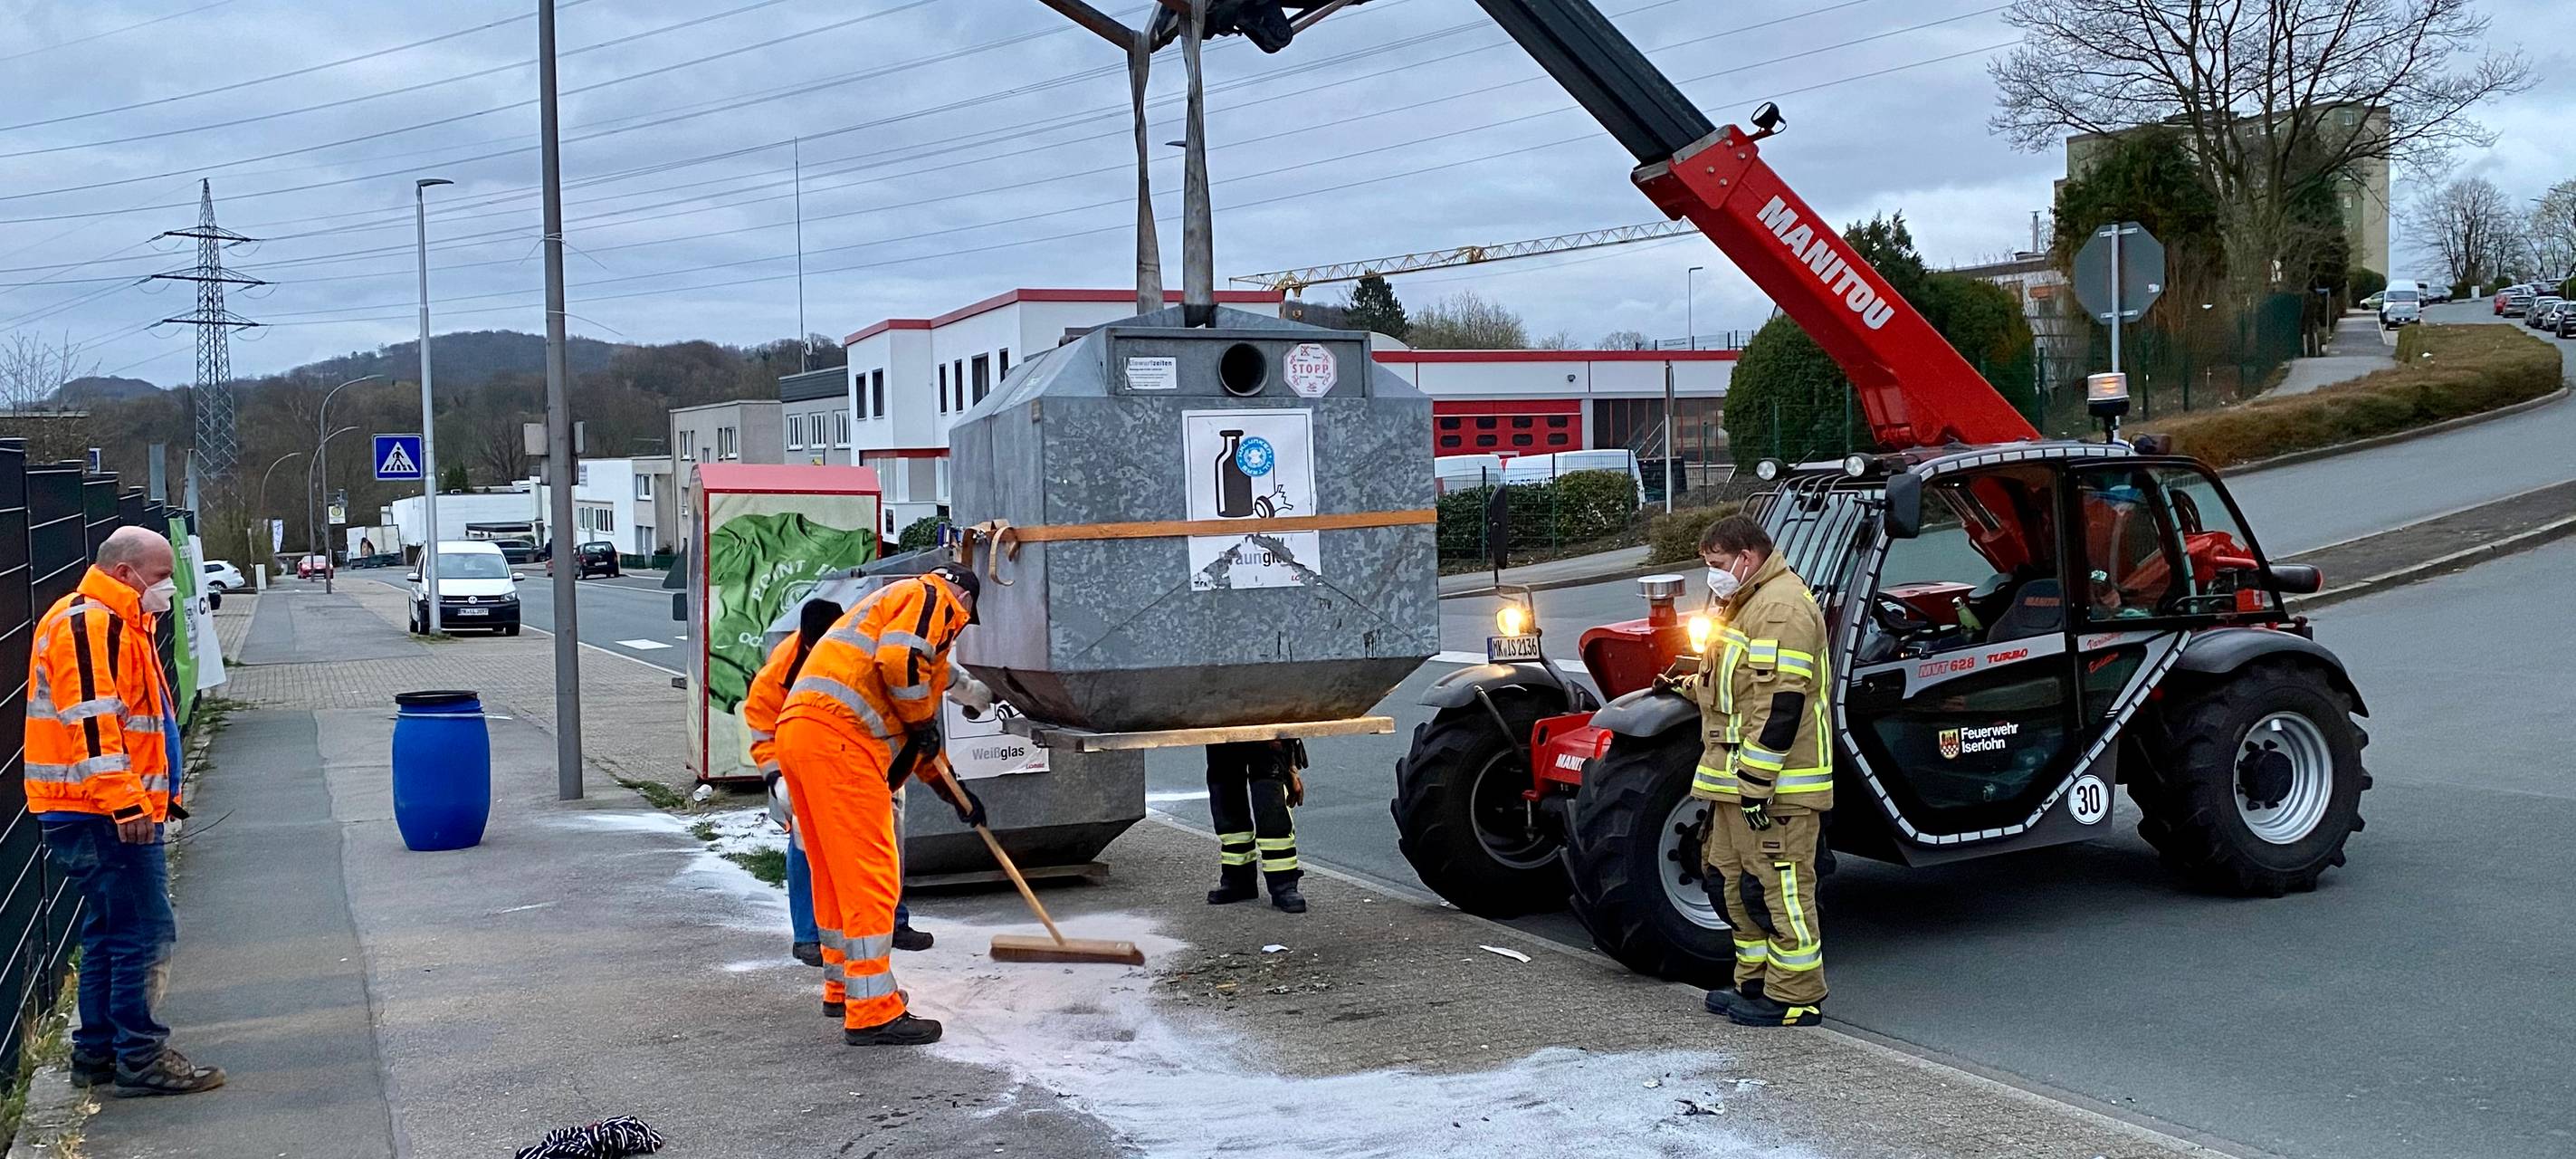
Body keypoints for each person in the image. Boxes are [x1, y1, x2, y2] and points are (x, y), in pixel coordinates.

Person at [24, 526, 225, 1095]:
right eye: (161, 578)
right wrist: (127, 803)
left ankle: (99, 1054)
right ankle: (141, 1055)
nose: (167, 591)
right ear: (125, 573)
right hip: (101, 810)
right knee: (145, 930)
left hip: (86, 807)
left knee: (111, 931)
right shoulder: (90, 624)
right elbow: (94, 722)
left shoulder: (115, 621)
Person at [775, 565, 987, 1047]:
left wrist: (957, 796)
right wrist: (921, 721)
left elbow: (920, 742)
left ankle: (842, 988)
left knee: (831, 871)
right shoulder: (931, 598)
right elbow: (902, 668)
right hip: (842, 743)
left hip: (804, 736)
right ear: (966, 603)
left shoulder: (895, 621)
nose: (958, 628)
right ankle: (872, 1010)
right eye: (966, 619)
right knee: (872, 876)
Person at [1678, 515, 1833, 1028]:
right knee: (1728, 880)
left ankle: (1794, 998)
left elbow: (1781, 706)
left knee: (1780, 889)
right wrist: (1682, 687)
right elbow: (1732, 689)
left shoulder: (1781, 609)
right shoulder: (1746, 604)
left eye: (1718, 565)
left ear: (1748, 556)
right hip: (1736, 784)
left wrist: (1756, 785)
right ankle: (1756, 984)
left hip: (1775, 790)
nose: (1713, 576)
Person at [1204, 739, 1306, 913]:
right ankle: (1238, 880)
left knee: (1271, 807)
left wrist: (1291, 766)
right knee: (1227, 804)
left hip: (1266, 731)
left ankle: (1284, 885)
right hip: (1222, 728)